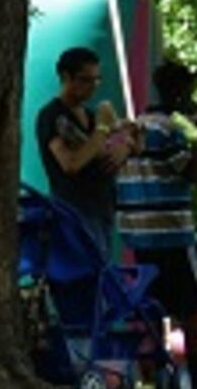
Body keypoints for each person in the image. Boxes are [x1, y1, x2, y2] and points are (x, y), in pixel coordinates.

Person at [116, 60, 197, 389]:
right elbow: (193, 173)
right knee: (190, 305)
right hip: (171, 229)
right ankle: (195, 368)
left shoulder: (134, 127)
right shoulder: (171, 130)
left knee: (150, 301)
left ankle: (156, 364)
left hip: (138, 232)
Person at [33, 45, 131, 272]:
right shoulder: (53, 115)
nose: (92, 87)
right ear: (66, 77)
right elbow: (71, 163)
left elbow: (105, 150)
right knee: (87, 276)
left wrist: (126, 147)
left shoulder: (89, 115)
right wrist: (102, 130)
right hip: (75, 210)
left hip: (102, 206)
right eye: (85, 80)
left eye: (97, 80)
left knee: (103, 275)